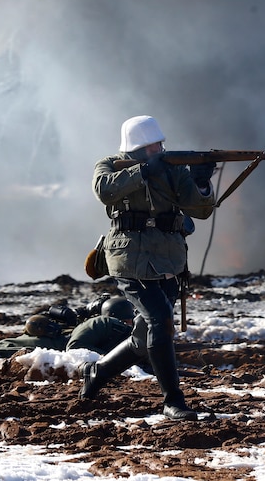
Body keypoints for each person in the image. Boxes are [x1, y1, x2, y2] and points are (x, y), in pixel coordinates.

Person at [80, 115, 216, 421]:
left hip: (168, 260)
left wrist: (202, 181)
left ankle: (98, 372)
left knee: (145, 336)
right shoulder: (110, 164)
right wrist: (143, 171)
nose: (159, 149)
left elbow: (201, 210)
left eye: (160, 143)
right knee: (160, 319)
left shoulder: (173, 169)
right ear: (136, 148)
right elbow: (104, 190)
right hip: (130, 259)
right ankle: (173, 401)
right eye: (152, 145)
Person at [0, 296, 134, 358]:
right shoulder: (99, 323)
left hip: (51, 342)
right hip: (43, 345)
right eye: (126, 321)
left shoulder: (106, 328)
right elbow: (75, 347)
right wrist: (112, 358)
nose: (129, 325)